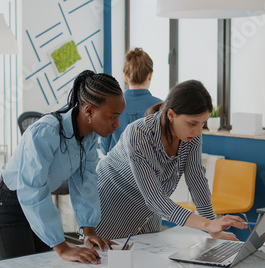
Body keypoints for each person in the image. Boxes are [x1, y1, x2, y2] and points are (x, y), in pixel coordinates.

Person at [0, 70, 125, 264]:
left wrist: (89, 231)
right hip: (10, 205)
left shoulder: (89, 137)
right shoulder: (46, 131)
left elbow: (86, 182)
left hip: (37, 204)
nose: (117, 124)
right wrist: (62, 248)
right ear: (89, 111)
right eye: (112, 117)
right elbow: (32, 190)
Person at [96, 80, 247, 240]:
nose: (197, 131)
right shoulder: (138, 134)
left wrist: (213, 229)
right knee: (109, 261)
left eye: (202, 124)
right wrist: (208, 224)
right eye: (192, 123)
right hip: (111, 204)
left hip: (148, 212)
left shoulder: (191, 136)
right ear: (171, 115)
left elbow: (197, 181)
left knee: (145, 259)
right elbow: (155, 198)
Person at [100, 48, 161, 155]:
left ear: (125, 76)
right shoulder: (161, 107)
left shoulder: (110, 106)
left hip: (116, 169)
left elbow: (105, 149)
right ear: (150, 75)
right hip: (149, 170)